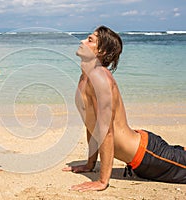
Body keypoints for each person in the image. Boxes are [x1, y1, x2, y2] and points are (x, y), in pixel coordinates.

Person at [62, 26, 186, 191]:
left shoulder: (99, 78)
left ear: (101, 51)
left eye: (90, 40)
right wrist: (89, 164)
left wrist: (102, 181)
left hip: (146, 155)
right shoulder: (85, 77)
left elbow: (106, 132)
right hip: (143, 149)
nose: (82, 42)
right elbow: (92, 125)